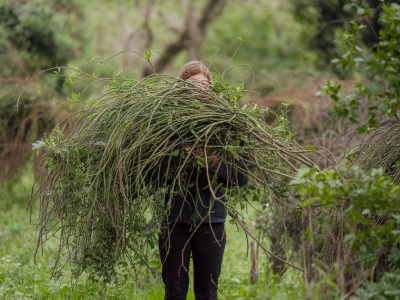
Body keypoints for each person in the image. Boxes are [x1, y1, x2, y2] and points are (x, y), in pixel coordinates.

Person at [158, 61, 248, 300]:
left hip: (211, 221)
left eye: (202, 85)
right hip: (174, 220)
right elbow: (153, 176)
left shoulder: (228, 126)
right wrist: (178, 155)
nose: (197, 91)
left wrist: (211, 162)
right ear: (180, 89)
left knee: (207, 294)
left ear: (211, 88)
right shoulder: (165, 124)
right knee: (174, 292)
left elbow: (241, 177)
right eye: (190, 86)